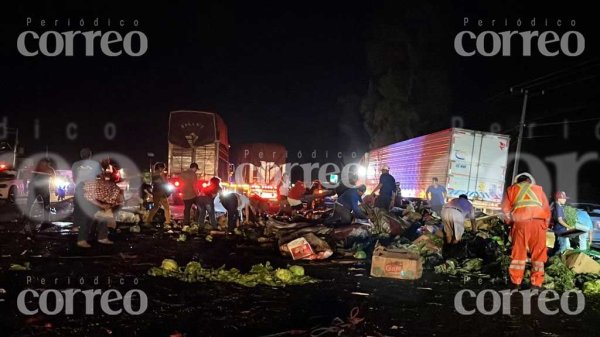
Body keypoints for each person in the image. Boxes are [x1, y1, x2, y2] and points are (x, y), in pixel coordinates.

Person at [501, 172, 551, 290]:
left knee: (518, 253)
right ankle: (536, 283)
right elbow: (547, 211)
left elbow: (505, 209)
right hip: (539, 224)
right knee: (538, 254)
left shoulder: (512, 189)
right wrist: (544, 227)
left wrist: (510, 223)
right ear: (530, 182)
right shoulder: (539, 190)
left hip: (521, 223)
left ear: (518, 182)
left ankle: (515, 282)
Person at [27, 158, 55, 223]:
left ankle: (46, 219)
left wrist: (53, 187)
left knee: (46, 204)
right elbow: (28, 176)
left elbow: (53, 179)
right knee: (30, 203)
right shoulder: (38, 168)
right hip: (37, 189)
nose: (45, 164)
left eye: (45, 163)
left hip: (42, 189)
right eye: (43, 163)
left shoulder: (49, 169)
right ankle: (27, 217)